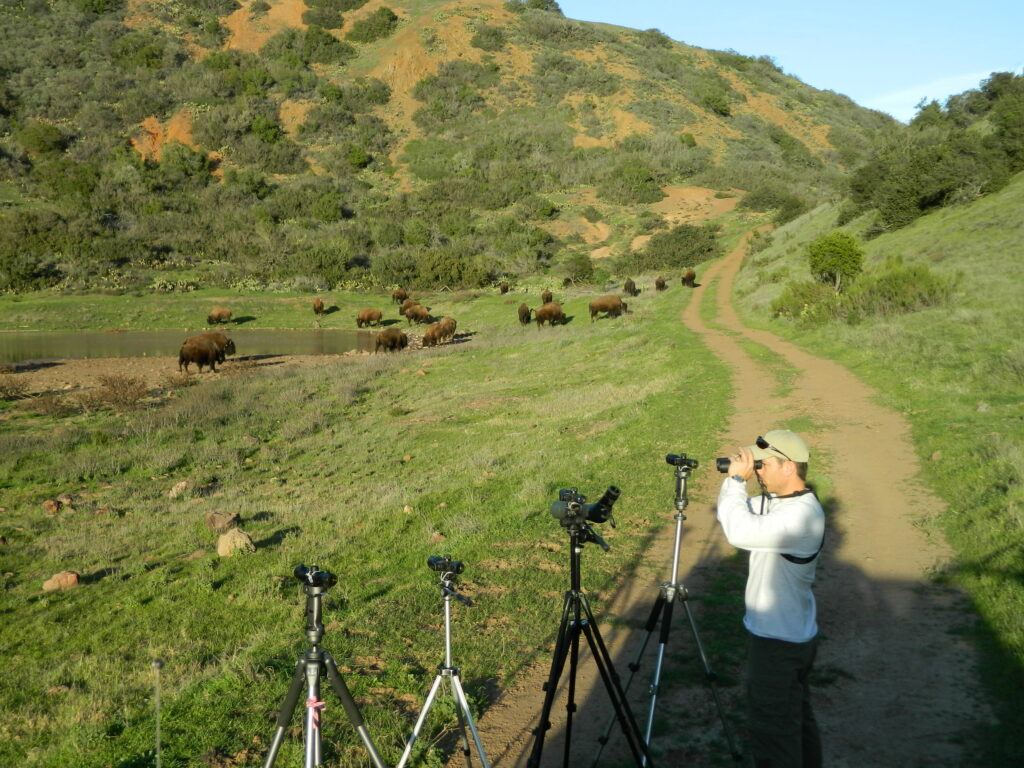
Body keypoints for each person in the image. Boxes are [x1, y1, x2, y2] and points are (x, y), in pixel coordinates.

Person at [716, 430, 825, 768]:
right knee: (795, 719)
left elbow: (739, 530)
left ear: (789, 466)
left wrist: (735, 482)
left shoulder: (801, 517)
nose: (757, 471)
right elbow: (742, 514)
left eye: (763, 464)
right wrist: (733, 486)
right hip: (793, 634)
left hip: (779, 641)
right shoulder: (784, 504)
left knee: (772, 732)